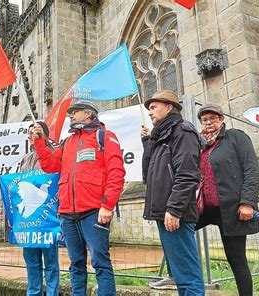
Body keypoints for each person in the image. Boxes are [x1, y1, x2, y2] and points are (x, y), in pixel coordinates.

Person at [31, 100, 125, 295]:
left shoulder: (105, 137)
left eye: (75, 112)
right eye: (70, 113)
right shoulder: (68, 142)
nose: (71, 116)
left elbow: (116, 173)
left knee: (101, 263)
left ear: (89, 114)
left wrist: (107, 205)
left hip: (93, 212)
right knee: (76, 264)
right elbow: (49, 165)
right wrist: (39, 141)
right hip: (67, 214)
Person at [141, 90, 205, 295]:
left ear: (169, 107)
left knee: (187, 275)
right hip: (165, 210)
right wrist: (148, 141)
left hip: (176, 212)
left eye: (154, 107)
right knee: (179, 274)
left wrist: (175, 209)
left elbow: (187, 174)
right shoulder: (163, 134)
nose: (150, 112)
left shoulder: (182, 132)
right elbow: (151, 171)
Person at [196, 103, 259, 296]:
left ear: (221, 119)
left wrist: (247, 202)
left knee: (236, 259)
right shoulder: (200, 144)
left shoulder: (236, 137)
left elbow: (252, 170)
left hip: (231, 208)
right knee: (176, 228)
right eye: (204, 119)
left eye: (212, 118)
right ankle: (175, 275)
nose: (208, 123)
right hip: (204, 208)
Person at [18, 122, 60, 296]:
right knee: (32, 261)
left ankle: (52, 294)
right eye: (29, 132)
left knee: (50, 262)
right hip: (29, 221)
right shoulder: (25, 159)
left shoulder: (54, 152)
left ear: (45, 134)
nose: (31, 135)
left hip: (47, 217)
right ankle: (33, 293)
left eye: (36, 131)